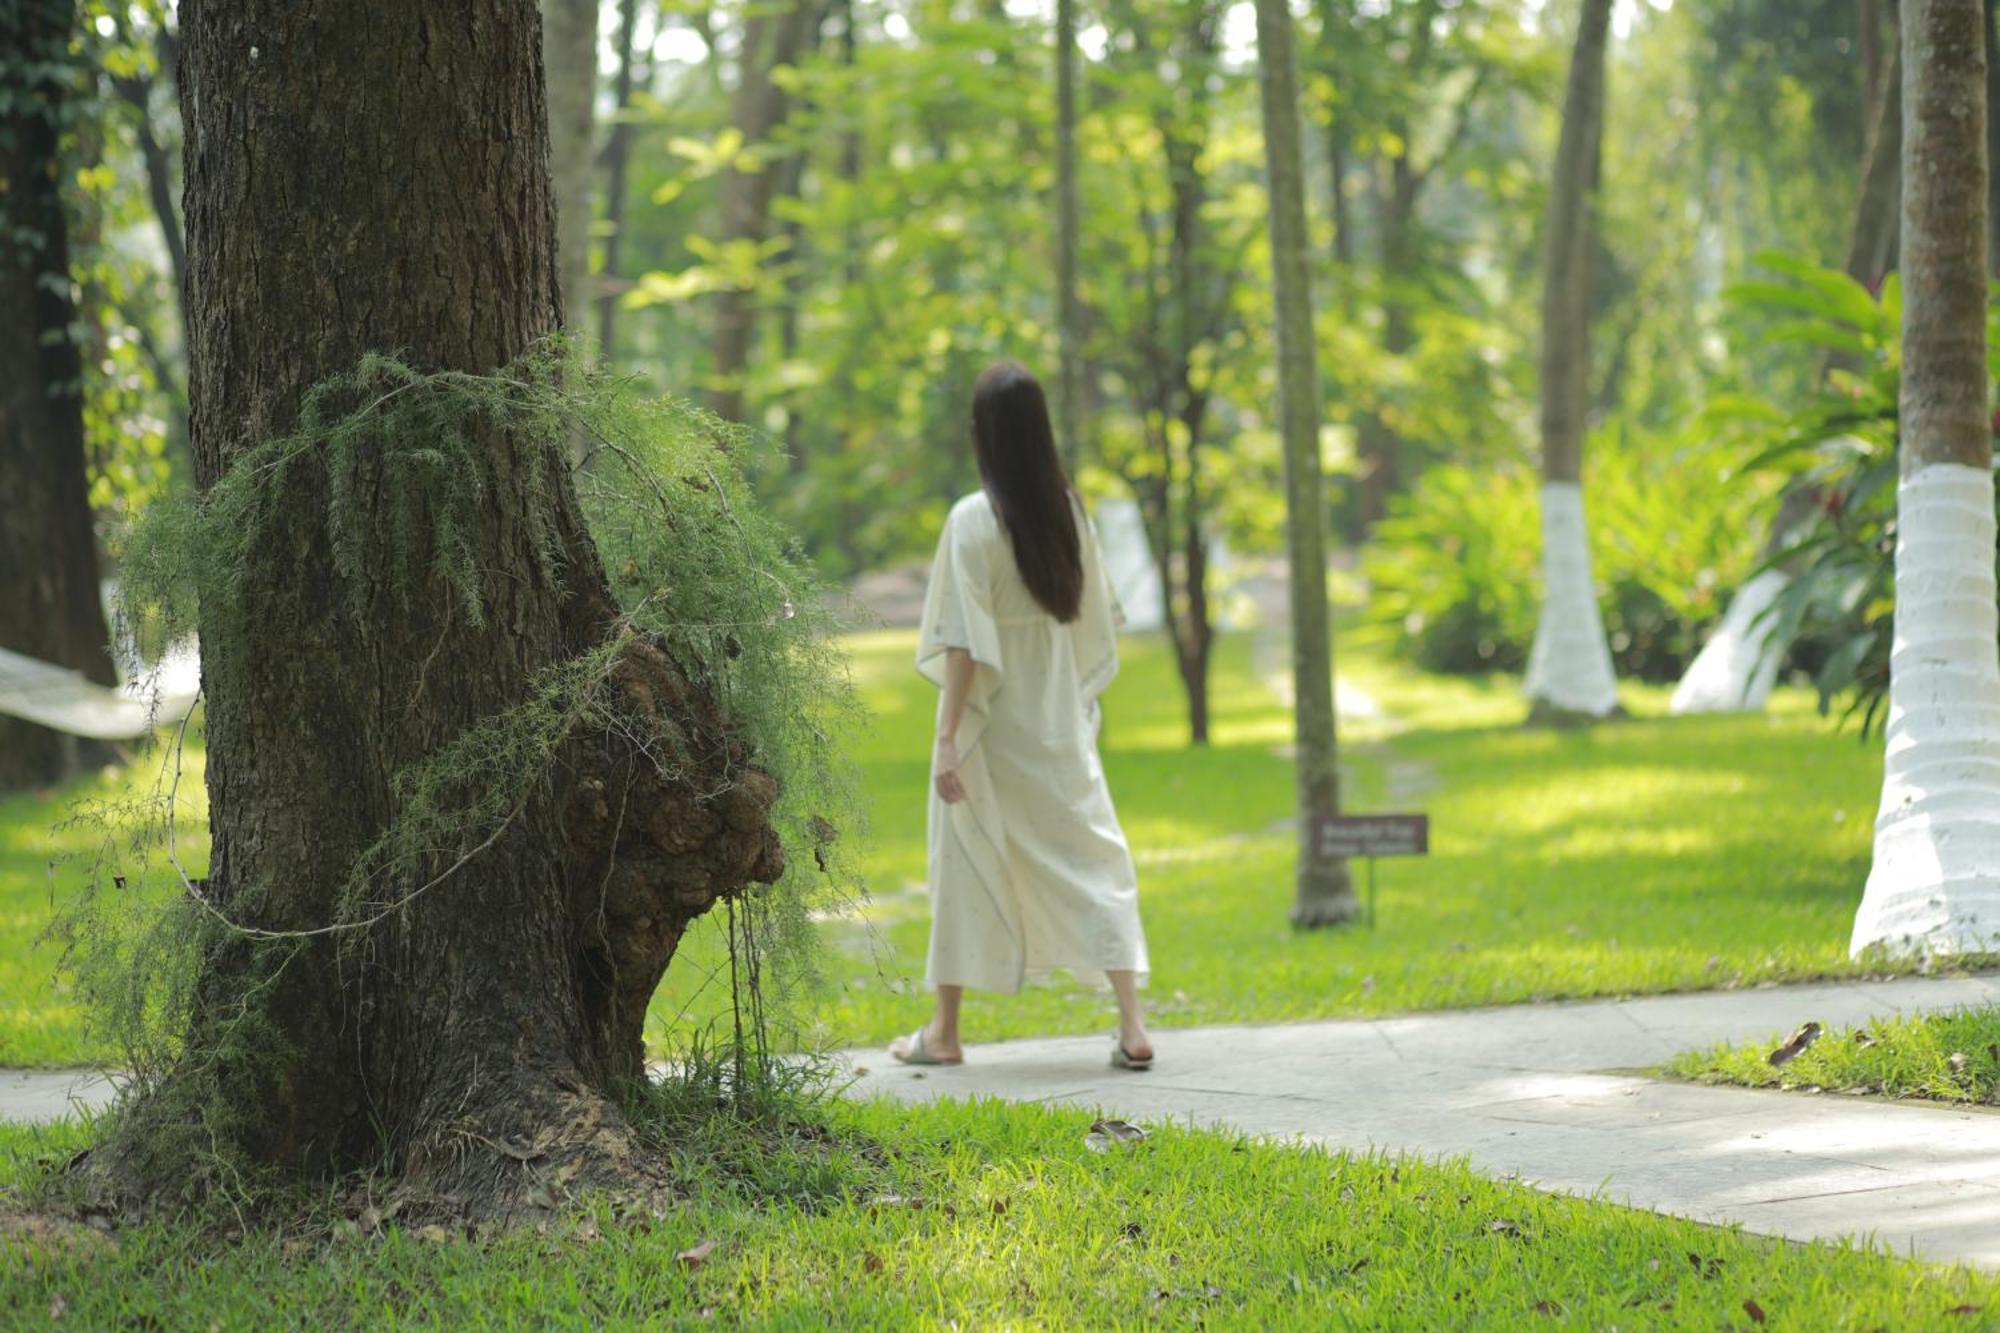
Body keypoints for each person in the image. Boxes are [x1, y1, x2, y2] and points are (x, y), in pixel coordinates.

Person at [890, 361, 1154, 1071]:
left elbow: (963, 644)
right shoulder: (1068, 514)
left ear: (983, 435)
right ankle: (1132, 1023)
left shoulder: (972, 522)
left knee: (963, 858)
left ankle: (944, 1033)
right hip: (1059, 722)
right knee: (1093, 857)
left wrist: (946, 739)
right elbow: (1091, 623)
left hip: (991, 727)